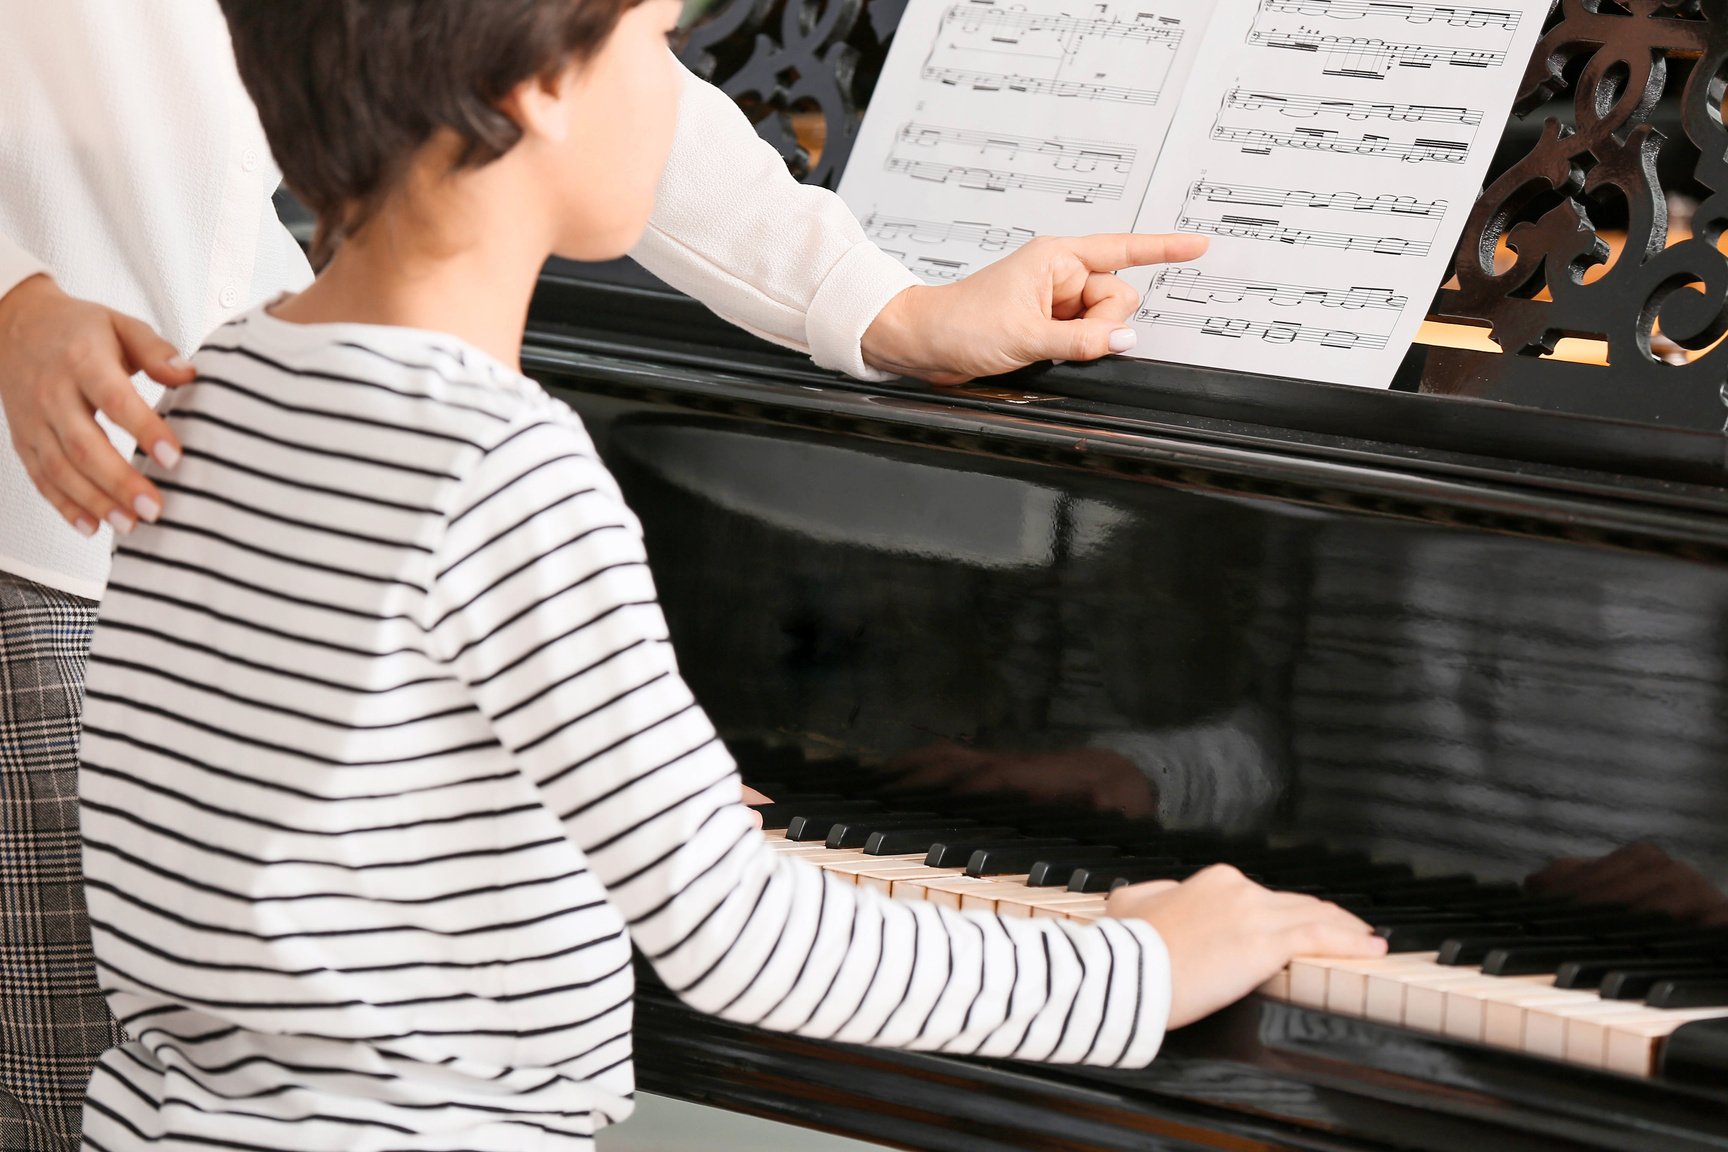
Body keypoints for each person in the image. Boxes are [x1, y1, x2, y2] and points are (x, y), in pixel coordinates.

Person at [71, 0, 1386, 1148]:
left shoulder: (212, 392)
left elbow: (256, 834)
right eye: (657, 37)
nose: (679, 75)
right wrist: (1140, 970)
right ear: (539, 88)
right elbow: (745, 943)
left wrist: (600, 810)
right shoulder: (504, 468)